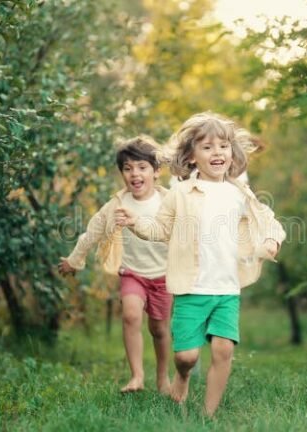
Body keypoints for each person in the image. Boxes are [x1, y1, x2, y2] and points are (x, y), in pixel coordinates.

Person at [115, 112, 286, 417]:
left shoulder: (239, 194)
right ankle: (181, 377)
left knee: (224, 349)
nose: (217, 152)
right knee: (187, 356)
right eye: (207, 147)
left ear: (232, 153)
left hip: (227, 289)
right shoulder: (181, 193)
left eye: (223, 146)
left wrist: (273, 241)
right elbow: (160, 229)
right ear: (192, 157)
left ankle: (207, 416)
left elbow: (269, 221)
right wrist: (134, 222)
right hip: (191, 288)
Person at [58, 136, 172, 394]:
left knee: (159, 328)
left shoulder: (169, 202)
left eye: (142, 167)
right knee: (131, 315)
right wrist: (74, 260)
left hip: (164, 276)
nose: (135, 174)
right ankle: (137, 376)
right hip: (132, 272)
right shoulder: (116, 205)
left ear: (156, 171)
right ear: (122, 173)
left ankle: (163, 378)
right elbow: (92, 232)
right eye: (128, 168)